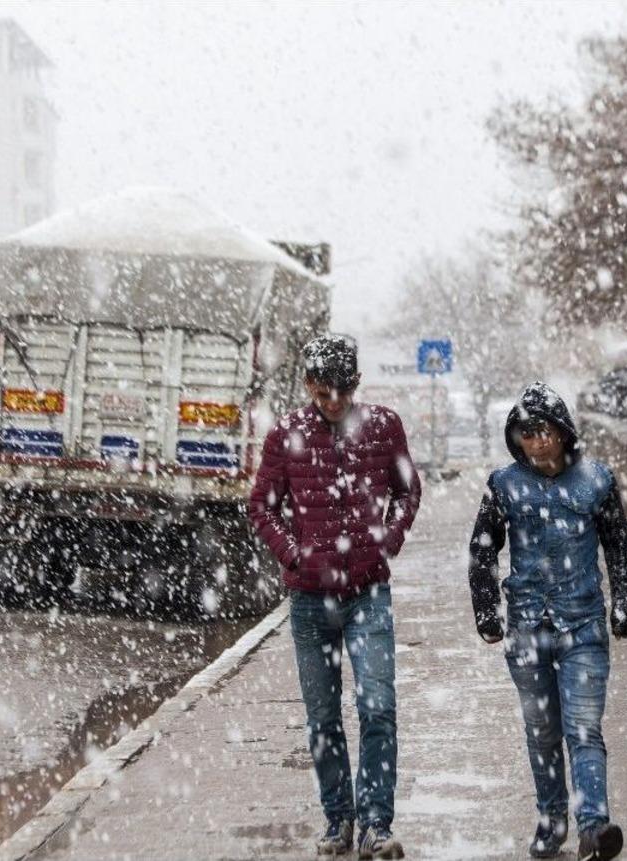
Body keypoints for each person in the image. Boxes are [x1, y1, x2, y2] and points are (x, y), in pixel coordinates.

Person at [249, 334, 422, 860]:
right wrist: (293, 554)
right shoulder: (286, 436)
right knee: (323, 717)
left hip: (368, 592)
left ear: (356, 385)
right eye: (323, 392)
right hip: (309, 600)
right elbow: (261, 506)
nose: (333, 402)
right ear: (308, 385)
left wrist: (387, 541)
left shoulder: (382, 427)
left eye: (342, 392)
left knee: (378, 707)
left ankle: (376, 824)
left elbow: (408, 489)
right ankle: (337, 820)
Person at [467, 381, 627, 860]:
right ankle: (551, 820)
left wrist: (624, 601)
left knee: (583, 728)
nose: (538, 441)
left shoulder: (596, 482)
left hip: (582, 623)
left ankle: (594, 827)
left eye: (546, 431)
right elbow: (482, 552)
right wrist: (486, 610)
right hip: (526, 629)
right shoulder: (503, 487)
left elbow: (619, 546)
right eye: (528, 432)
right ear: (517, 437)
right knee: (542, 732)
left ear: (564, 433)